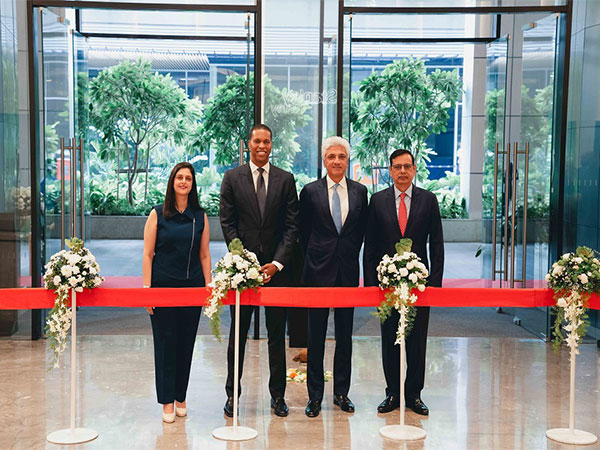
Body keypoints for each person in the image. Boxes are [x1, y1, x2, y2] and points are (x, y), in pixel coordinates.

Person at [219, 123, 299, 417]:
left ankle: (278, 396)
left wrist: (277, 263)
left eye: (267, 141)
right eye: (257, 141)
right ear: (248, 144)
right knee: (237, 336)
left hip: (278, 272)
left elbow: (292, 227)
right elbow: (227, 223)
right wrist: (244, 260)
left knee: (277, 337)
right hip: (242, 273)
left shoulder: (286, 179)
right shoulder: (232, 178)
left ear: (271, 144)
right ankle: (233, 396)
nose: (262, 146)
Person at [363, 149, 444, 416]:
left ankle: (414, 395)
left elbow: (437, 244)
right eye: (397, 167)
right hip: (386, 285)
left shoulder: (429, 200)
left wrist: (435, 284)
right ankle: (393, 394)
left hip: (420, 285)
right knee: (390, 339)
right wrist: (371, 284)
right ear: (390, 170)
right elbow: (371, 244)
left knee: (417, 339)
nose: (402, 172)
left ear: (414, 169)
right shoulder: (377, 201)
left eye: (407, 166)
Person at [299, 136, 368, 418]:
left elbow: (361, 230)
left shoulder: (361, 192)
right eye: (331, 157)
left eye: (341, 156)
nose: (337, 161)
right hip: (317, 272)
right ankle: (315, 396)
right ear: (324, 161)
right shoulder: (310, 191)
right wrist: (318, 254)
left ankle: (341, 392)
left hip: (347, 272)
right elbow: (303, 232)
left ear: (347, 160)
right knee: (315, 337)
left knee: (344, 336)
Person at [142, 162, 212, 423]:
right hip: (162, 287)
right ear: (172, 182)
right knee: (164, 344)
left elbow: (204, 255)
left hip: (192, 288)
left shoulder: (200, 216)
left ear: (193, 184)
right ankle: (167, 401)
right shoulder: (158, 214)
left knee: (186, 344)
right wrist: (147, 292)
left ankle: (181, 397)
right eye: (179, 177)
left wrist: (209, 288)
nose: (184, 182)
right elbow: (148, 255)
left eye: (188, 178)